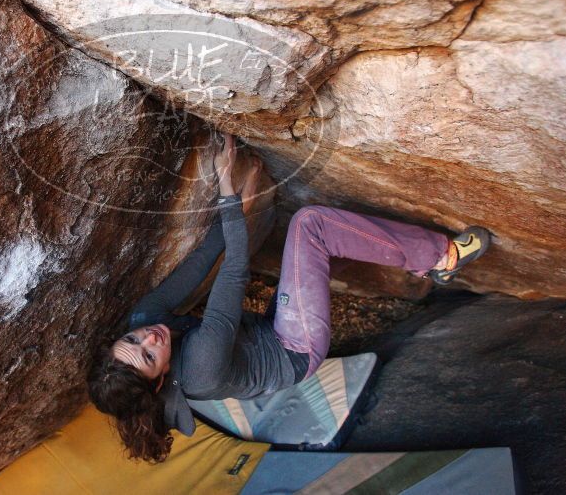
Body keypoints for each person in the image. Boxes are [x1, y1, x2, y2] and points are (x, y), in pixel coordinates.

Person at [87, 133, 491, 463]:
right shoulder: (200, 368)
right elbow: (234, 269)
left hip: (260, 329)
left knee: (305, 246)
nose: (149, 338)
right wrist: (227, 187)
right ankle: (442, 257)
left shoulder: (144, 317)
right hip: (294, 349)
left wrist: (242, 206)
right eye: (148, 356)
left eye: (132, 340)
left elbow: (204, 259)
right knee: (311, 225)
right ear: (159, 382)